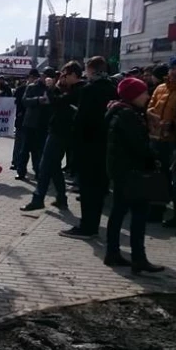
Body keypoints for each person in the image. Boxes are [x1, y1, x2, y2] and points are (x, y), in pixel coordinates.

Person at [104, 77, 165, 274]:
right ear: (133, 95)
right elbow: (139, 147)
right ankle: (138, 258)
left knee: (119, 212)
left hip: (122, 171)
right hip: (132, 173)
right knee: (138, 215)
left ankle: (113, 253)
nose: (147, 96)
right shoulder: (128, 116)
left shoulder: (120, 111)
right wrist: (154, 153)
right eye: (144, 92)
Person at [61, 56, 118, 239]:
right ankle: (94, 224)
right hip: (106, 146)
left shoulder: (89, 90)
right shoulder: (112, 88)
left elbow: (82, 120)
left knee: (87, 190)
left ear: (90, 70)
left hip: (88, 145)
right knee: (99, 189)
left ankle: (87, 227)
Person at [21, 61, 83, 212]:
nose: (62, 78)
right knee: (54, 166)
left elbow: (58, 103)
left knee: (45, 166)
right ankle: (61, 198)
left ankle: (38, 199)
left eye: (65, 75)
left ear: (73, 75)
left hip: (61, 132)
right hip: (58, 130)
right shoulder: (71, 89)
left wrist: (50, 88)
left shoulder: (78, 90)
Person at [146, 57, 176, 227]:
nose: (175, 72)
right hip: (155, 137)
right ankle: (156, 211)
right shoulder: (160, 88)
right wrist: (151, 115)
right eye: (173, 68)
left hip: (174, 141)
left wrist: (173, 124)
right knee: (157, 176)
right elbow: (151, 105)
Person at [15, 68, 50, 181]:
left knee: (39, 151)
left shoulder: (52, 89)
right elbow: (25, 101)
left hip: (43, 124)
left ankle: (38, 171)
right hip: (30, 123)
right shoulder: (32, 87)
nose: (47, 79)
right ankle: (21, 171)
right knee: (25, 149)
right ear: (42, 76)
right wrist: (38, 100)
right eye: (46, 76)